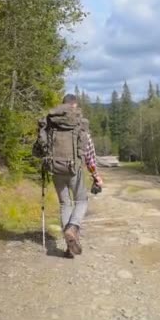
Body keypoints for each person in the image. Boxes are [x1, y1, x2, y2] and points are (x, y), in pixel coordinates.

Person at [50, 94, 103, 258]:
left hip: (56, 169)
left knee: (65, 204)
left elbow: (41, 147)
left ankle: (69, 247)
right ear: (75, 105)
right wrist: (96, 177)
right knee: (81, 201)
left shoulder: (52, 124)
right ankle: (73, 227)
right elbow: (90, 157)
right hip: (74, 170)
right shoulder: (80, 125)